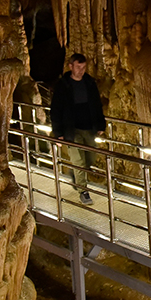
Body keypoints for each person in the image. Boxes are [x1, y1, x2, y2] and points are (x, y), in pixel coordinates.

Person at [50, 53, 106, 205]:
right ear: (71, 66)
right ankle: (83, 191)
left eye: (83, 67)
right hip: (71, 130)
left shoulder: (89, 83)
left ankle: (76, 175)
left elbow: (97, 105)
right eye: (78, 67)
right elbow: (56, 110)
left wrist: (101, 124)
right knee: (79, 161)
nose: (81, 70)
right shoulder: (63, 86)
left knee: (90, 158)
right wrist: (58, 133)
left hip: (89, 127)